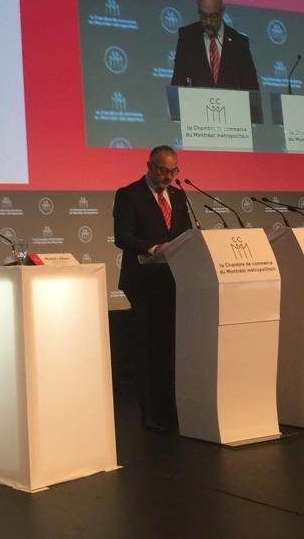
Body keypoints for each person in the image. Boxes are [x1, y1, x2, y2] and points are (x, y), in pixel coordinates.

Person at [113, 145, 193, 431]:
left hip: (174, 281)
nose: (168, 176)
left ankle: (172, 408)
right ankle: (151, 413)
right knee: (148, 347)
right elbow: (122, 237)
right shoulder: (129, 194)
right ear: (149, 166)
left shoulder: (179, 196)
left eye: (173, 171)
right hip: (143, 281)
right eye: (162, 170)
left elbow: (186, 235)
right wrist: (153, 247)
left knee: (170, 346)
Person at [171, 0, 259, 90]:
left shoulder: (239, 43)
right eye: (203, 15)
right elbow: (178, 83)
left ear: (222, 12)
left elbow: (251, 88)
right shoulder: (187, 37)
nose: (208, 22)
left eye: (213, 16)